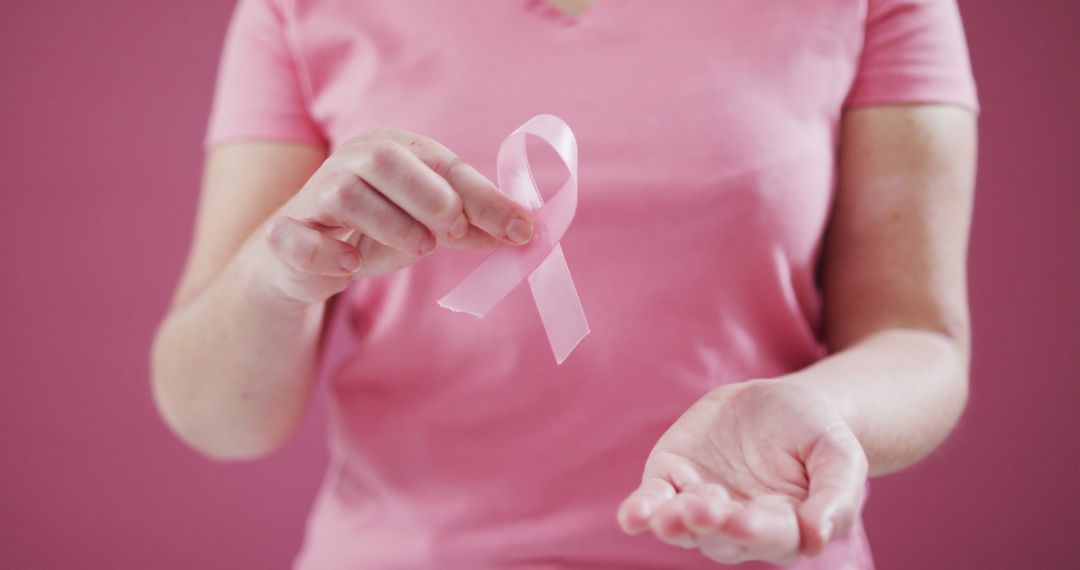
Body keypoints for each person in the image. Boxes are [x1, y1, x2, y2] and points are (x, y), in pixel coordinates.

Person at [150, 0, 979, 567]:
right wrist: (281, 268)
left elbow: (918, 339)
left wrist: (821, 414)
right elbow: (220, 417)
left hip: (760, 549)